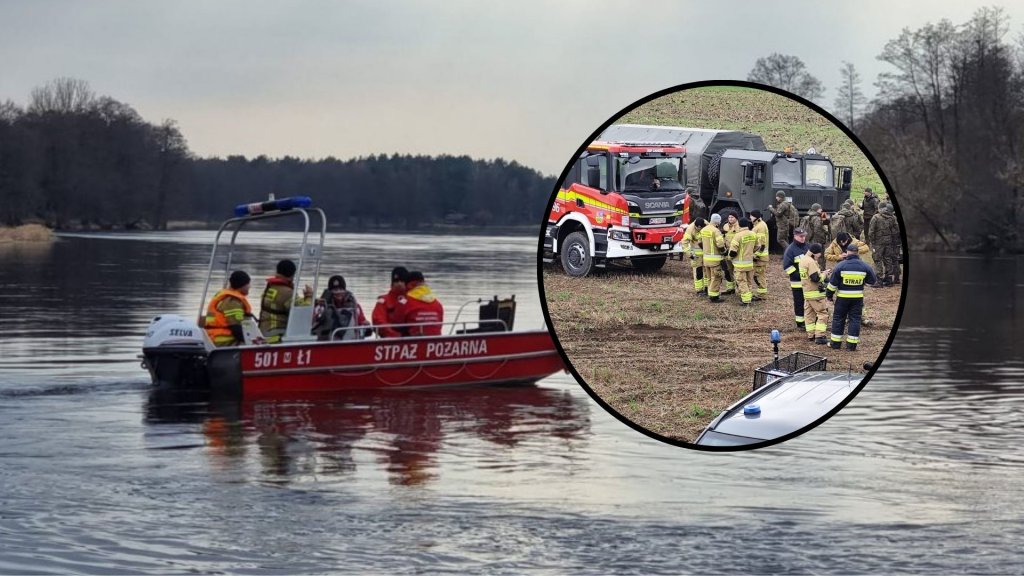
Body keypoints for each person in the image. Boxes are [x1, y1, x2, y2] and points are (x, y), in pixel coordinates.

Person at [826, 242, 878, 351]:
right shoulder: (865, 266)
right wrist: (862, 283)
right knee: (855, 319)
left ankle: (835, 344)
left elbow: (832, 285)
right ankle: (851, 346)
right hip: (857, 299)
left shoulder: (840, 266)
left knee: (838, 319)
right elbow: (872, 281)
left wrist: (829, 296)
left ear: (847, 252)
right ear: (857, 252)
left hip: (842, 299)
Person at [258, 259, 313, 344]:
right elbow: (301, 313)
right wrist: (309, 296)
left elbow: (287, 303)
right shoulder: (287, 292)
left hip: (264, 329)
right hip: (275, 332)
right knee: (311, 334)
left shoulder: (271, 287)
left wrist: (304, 299)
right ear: (292, 274)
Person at [204, 270, 255, 347]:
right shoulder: (232, 301)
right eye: (248, 284)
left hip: (215, 338)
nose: (249, 286)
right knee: (255, 345)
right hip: (224, 341)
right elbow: (237, 329)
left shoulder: (226, 296)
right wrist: (253, 342)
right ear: (242, 285)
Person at [313, 275, 370, 341]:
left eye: (341, 289)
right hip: (326, 342)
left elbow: (361, 322)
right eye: (335, 290)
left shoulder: (354, 306)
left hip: (350, 341)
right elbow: (313, 324)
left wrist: (366, 325)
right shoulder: (321, 306)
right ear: (330, 292)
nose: (338, 292)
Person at [798, 243, 830, 345]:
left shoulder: (803, 259)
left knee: (809, 315)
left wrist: (821, 272)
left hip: (807, 293)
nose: (820, 255)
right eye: (820, 253)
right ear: (816, 253)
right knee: (823, 314)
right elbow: (815, 278)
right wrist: (824, 274)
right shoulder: (811, 262)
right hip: (815, 294)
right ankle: (820, 336)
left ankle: (811, 335)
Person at [396, 271, 444, 336]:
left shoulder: (404, 302)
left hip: (413, 341)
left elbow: (397, 323)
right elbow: (440, 324)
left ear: (409, 285)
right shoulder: (437, 303)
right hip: (436, 340)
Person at [728, 218, 762, 306]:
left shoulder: (738, 236)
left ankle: (746, 301)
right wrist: (750, 252)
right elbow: (758, 246)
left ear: (739, 225)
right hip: (749, 263)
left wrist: (730, 258)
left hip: (740, 264)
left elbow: (733, 251)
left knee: (741, 281)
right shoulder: (753, 234)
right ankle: (748, 296)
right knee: (749, 281)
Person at [868, 203, 901, 287]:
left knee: (877, 260)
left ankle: (879, 281)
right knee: (888, 259)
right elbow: (896, 231)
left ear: (880, 209)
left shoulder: (875, 217)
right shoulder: (892, 217)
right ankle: (889, 279)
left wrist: (872, 243)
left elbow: (871, 232)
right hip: (889, 242)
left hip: (878, 243)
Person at [782, 228, 809, 329]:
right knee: (799, 301)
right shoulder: (790, 249)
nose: (803, 238)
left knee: (809, 301)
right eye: (801, 236)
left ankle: (808, 320)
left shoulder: (807, 247)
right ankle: (800, 322)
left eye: (804, 236)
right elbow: (787, 266)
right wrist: (799, 275)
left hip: (808, 281)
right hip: (797, 282)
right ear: (795, 236)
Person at [372, 266, 409, 338]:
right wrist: (394, 334)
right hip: (389, 339)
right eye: (396, 281)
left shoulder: (413, 299)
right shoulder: (383, 301)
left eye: (402, 281)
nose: (399, 284)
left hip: (412, 337)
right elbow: (378, 320)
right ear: (392, 283)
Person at [700, 213, 727, 302]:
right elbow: (720, 244)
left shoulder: (703, 230)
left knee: (709, 278)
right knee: (716, 278)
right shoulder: (716, 231)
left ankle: (709, 292)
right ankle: (714, 297)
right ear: (718, 222)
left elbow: (700, 242)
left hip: (706, 259)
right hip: (715, 260)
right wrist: (724, 252)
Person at [681, 217, 706, 295]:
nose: (698, 229)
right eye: (697, 228)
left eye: (700, 228)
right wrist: (690, 255)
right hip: (696, 255)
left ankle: (707, 288)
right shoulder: (690, 229)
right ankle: (699, 290)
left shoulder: (707, 225)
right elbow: (684, 243)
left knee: (706, 271)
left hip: (706, 254)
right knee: (698, 272)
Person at [749, 209, 770, 299]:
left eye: (751, 216)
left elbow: (762, 244)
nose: (750, 218)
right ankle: (761, 293)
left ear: (755, 217)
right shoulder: (759, 225)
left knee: (759, 275)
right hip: (760, 257)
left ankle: (762, 295)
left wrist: (756, 255)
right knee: (757, 275)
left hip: (760, 258)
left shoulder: (760, 227)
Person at [720, 211, 740, 294]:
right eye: (729, 217)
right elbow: (723, 238)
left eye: (732, 217)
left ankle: (740, 289)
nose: (730, 219)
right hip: (727, 251)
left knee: (737, 272)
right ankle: (730, 288)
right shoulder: (725, 226)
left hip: (736, 252)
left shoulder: (739, 227)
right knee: (728, 270)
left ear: (736, 218)